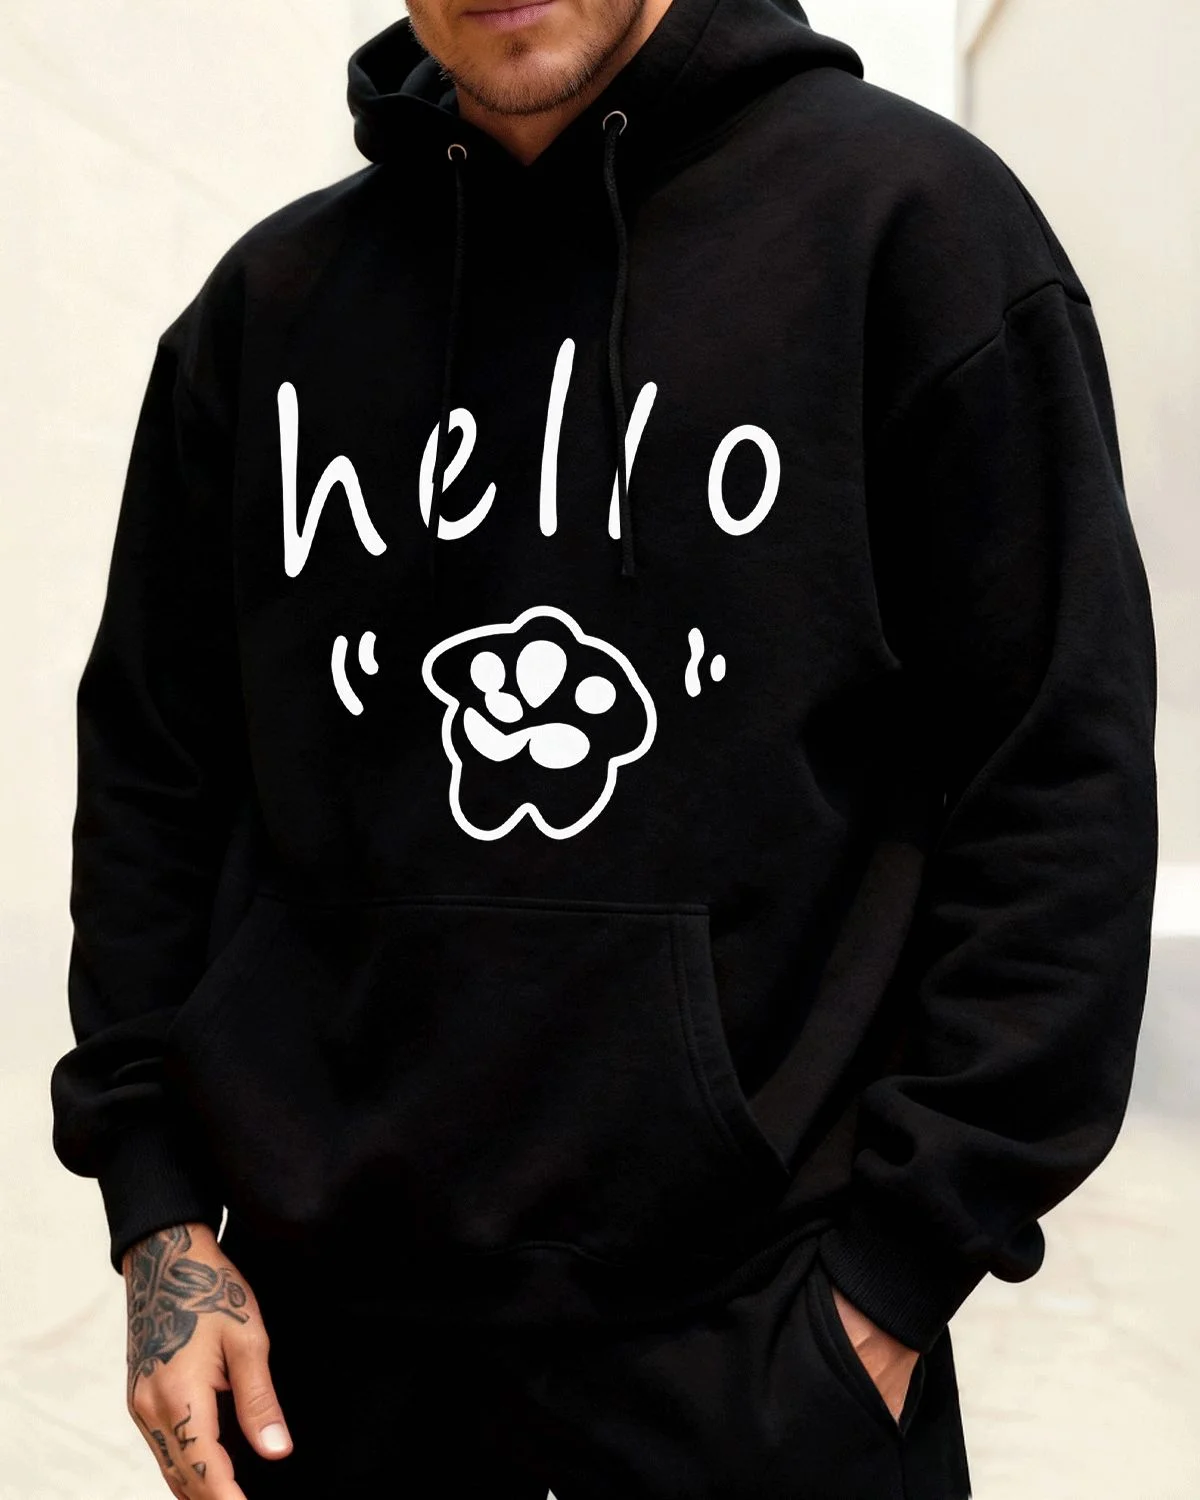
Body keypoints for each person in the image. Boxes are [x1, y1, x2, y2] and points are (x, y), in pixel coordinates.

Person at [49, 0, 1158, 1493]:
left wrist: (891, 1282)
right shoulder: (270, 312)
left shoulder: (910, 233)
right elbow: (152, 792)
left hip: (758, 1370)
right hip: (331, 1385)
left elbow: (1058, 781)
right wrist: (160, 1223)